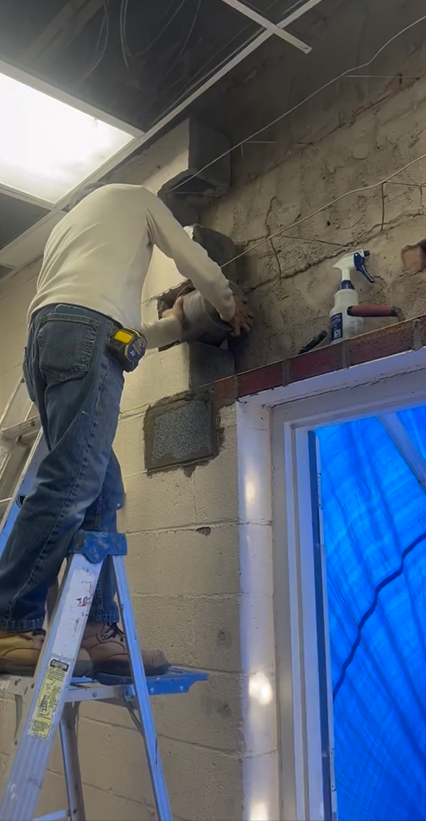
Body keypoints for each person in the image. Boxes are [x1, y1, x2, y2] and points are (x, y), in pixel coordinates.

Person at [0, 183, 253, 678]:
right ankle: (13, 619)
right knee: (73, 480)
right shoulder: (138, 197)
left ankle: (96, 630)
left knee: (101, 486)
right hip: (85, 339)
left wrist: (176, 326)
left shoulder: (72, 235)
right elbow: (192, 259)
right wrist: (227, 306)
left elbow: (117, 335)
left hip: (45, 346)